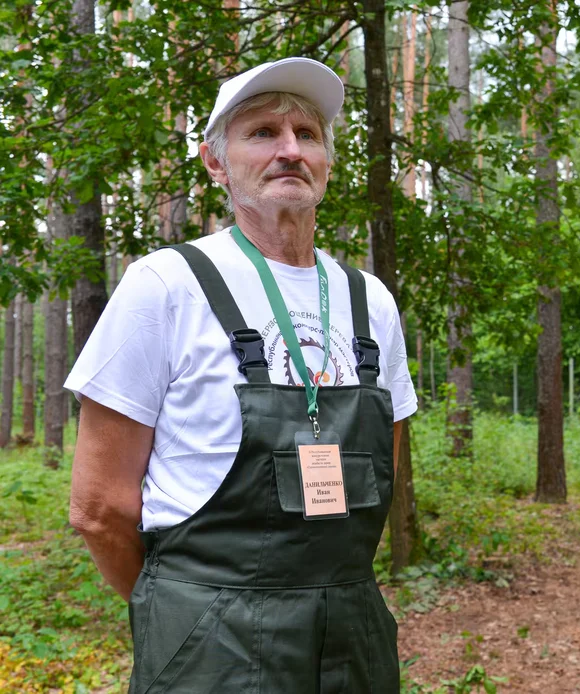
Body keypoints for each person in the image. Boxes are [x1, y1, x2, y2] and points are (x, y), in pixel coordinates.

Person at [66, 57, 416, 692]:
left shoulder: (372, 301)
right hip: (209, 645)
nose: (289, 150)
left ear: (327, 163)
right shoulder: (166, 285)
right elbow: (98, 509)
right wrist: (187, 605)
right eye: (261, 132)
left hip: (353, 641)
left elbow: (383, 466)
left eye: (307, 135)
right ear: (215, 162)